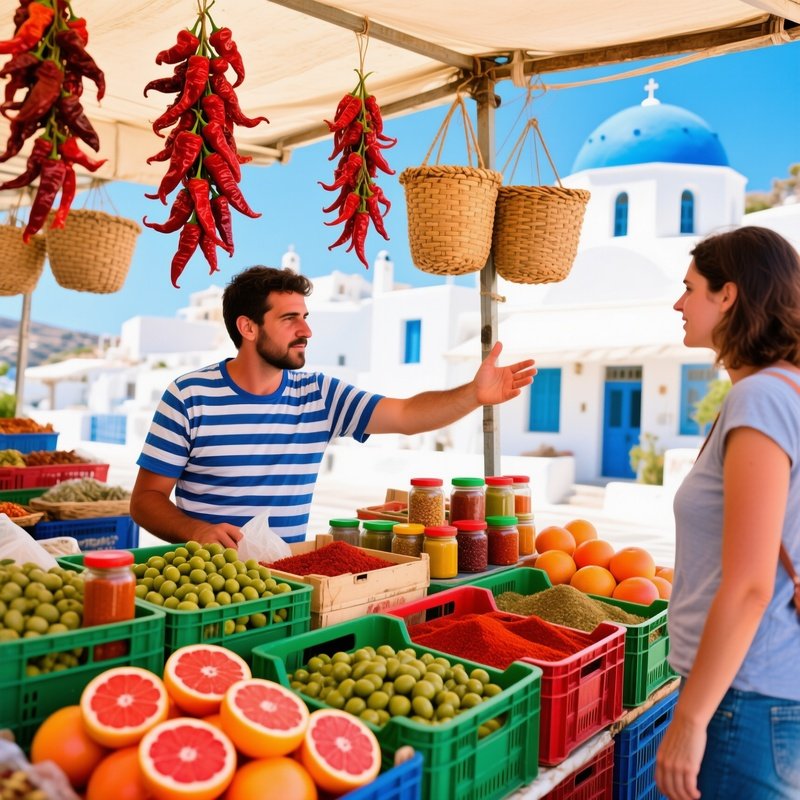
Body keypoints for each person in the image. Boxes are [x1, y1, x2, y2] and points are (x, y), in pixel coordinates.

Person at [130, 265, 536, 548]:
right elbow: (145, 500)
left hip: (288, 580)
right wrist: (197, 530)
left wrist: (473, 394)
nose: (306, 330)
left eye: (305, 317)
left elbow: (407, 415)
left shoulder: (321, 395)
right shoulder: (188, 395)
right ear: (248, 327)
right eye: (290, 319)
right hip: (206, 581)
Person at [655, 226, 800, 800]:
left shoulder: (760, 399)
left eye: (689, 288)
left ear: (729, 296)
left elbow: (748, 587)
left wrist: (690, 720)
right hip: (763, 693)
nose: (678, 303)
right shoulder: (787, 391)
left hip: (740, 699)